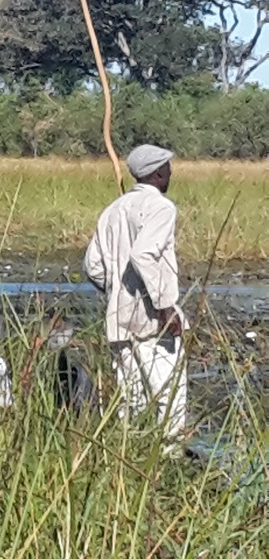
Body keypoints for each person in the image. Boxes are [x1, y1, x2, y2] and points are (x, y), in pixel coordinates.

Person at [83, 144, 188, 452]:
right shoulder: (162, 207)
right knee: (170, 398)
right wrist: (165, 306)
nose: (171, 172)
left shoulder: (113, 210)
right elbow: (142, 254)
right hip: (152, 318)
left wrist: (116, 291)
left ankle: (128, 457)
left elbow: (92, 266)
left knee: (132, 398)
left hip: (118, 317)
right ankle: (171, 461)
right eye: (167, 167)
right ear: (157, 173)